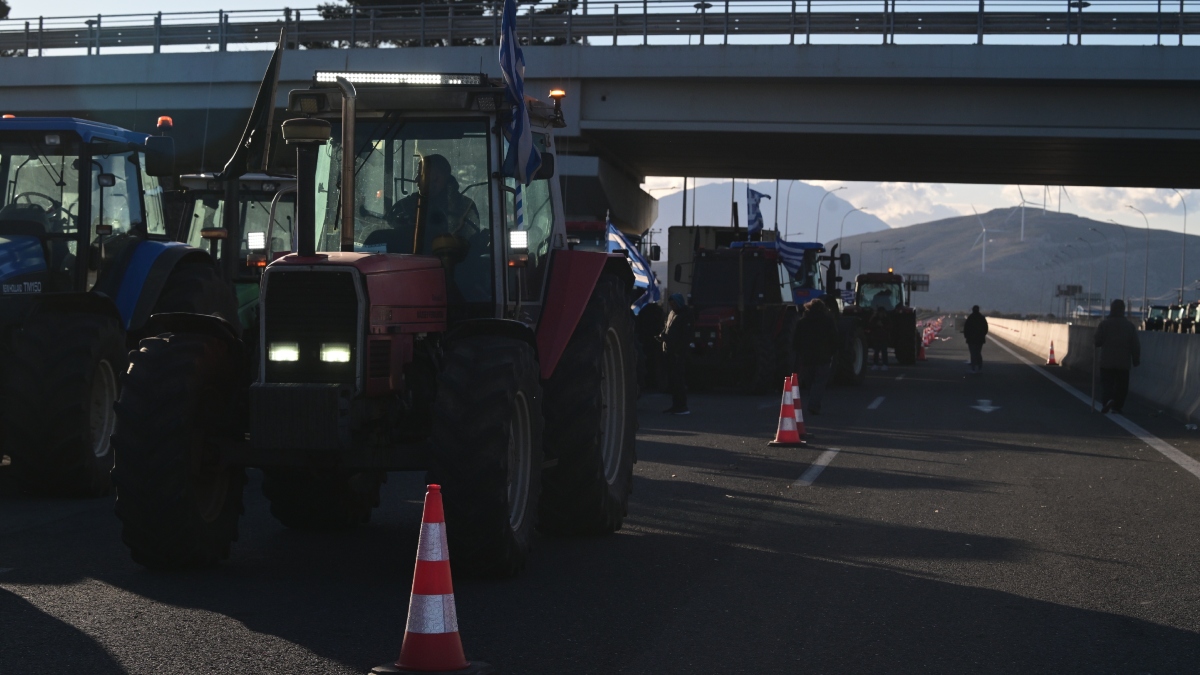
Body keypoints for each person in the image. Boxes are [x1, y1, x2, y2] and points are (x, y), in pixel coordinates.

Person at [379, 153, 480, 254]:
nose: (416, 179)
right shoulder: (408, 204)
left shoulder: (464, 207)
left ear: (437, 178)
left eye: (421, 174)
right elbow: (389, 226)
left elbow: (469, 248)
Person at [794, 297, 840, 415]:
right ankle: (814, 404)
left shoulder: (802, 322)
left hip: (807, 358)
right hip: (823, 357)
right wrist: (831, 353)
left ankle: (812, 400)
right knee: (819, 382)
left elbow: (796, 341)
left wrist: (800, 354)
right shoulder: (828, 321)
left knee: (810, 381)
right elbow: (834, 339)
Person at [1094, 299, 1140, 414]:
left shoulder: (1104, 324)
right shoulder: (1130, 326)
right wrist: (1136, 359)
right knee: (1122, 386)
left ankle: (1107, 400)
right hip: (1123, 362)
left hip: (1106, 361)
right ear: (1123, 310)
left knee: (1107, 384)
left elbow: (1097, 341)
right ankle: (1117, 406)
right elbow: (1135, 344)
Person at [659, 293, 693, 415]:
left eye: (673, 304)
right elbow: (667, 328)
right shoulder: (672, 314)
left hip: (678, 352)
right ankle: (676, 405)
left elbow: (685, 336)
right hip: (670, 351)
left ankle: (681, 405)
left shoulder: (685, 315)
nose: (672, 306)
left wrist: (679, 351)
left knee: (678, 380)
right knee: (673, 380)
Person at [963, 305, 989, 374]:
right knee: (978, 352)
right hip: (980, 339)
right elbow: (986, 329)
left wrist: (966, 336)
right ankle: (980, 366)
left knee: (973, 353)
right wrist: (982, 335)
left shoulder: (970, 318)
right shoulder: (982, 318)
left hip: (971, 339)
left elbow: (966, 328)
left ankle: (973, 368)